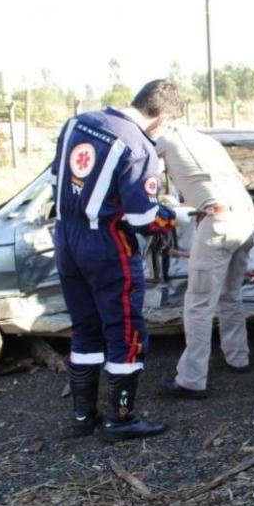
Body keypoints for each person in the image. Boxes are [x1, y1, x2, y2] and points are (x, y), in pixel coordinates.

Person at [55, 79, 183, 441]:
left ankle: (83, 417)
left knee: (84, 328)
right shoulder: (139, 146)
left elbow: (58, 181)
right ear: (161, 118)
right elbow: (144, 219)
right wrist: (171, 217)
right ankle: (121, 419)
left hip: (66, 237)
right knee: (126, 333)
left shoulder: (77, 123)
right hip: (107, 246)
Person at [156, 124, 254, 399]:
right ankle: (238, 358)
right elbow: (235, 178)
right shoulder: (208, 143)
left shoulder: (163, 139)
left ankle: (191, 380)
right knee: (230, 295)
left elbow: (146, 178)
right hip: (247, 218)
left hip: (219, 222)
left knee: (198, 305)